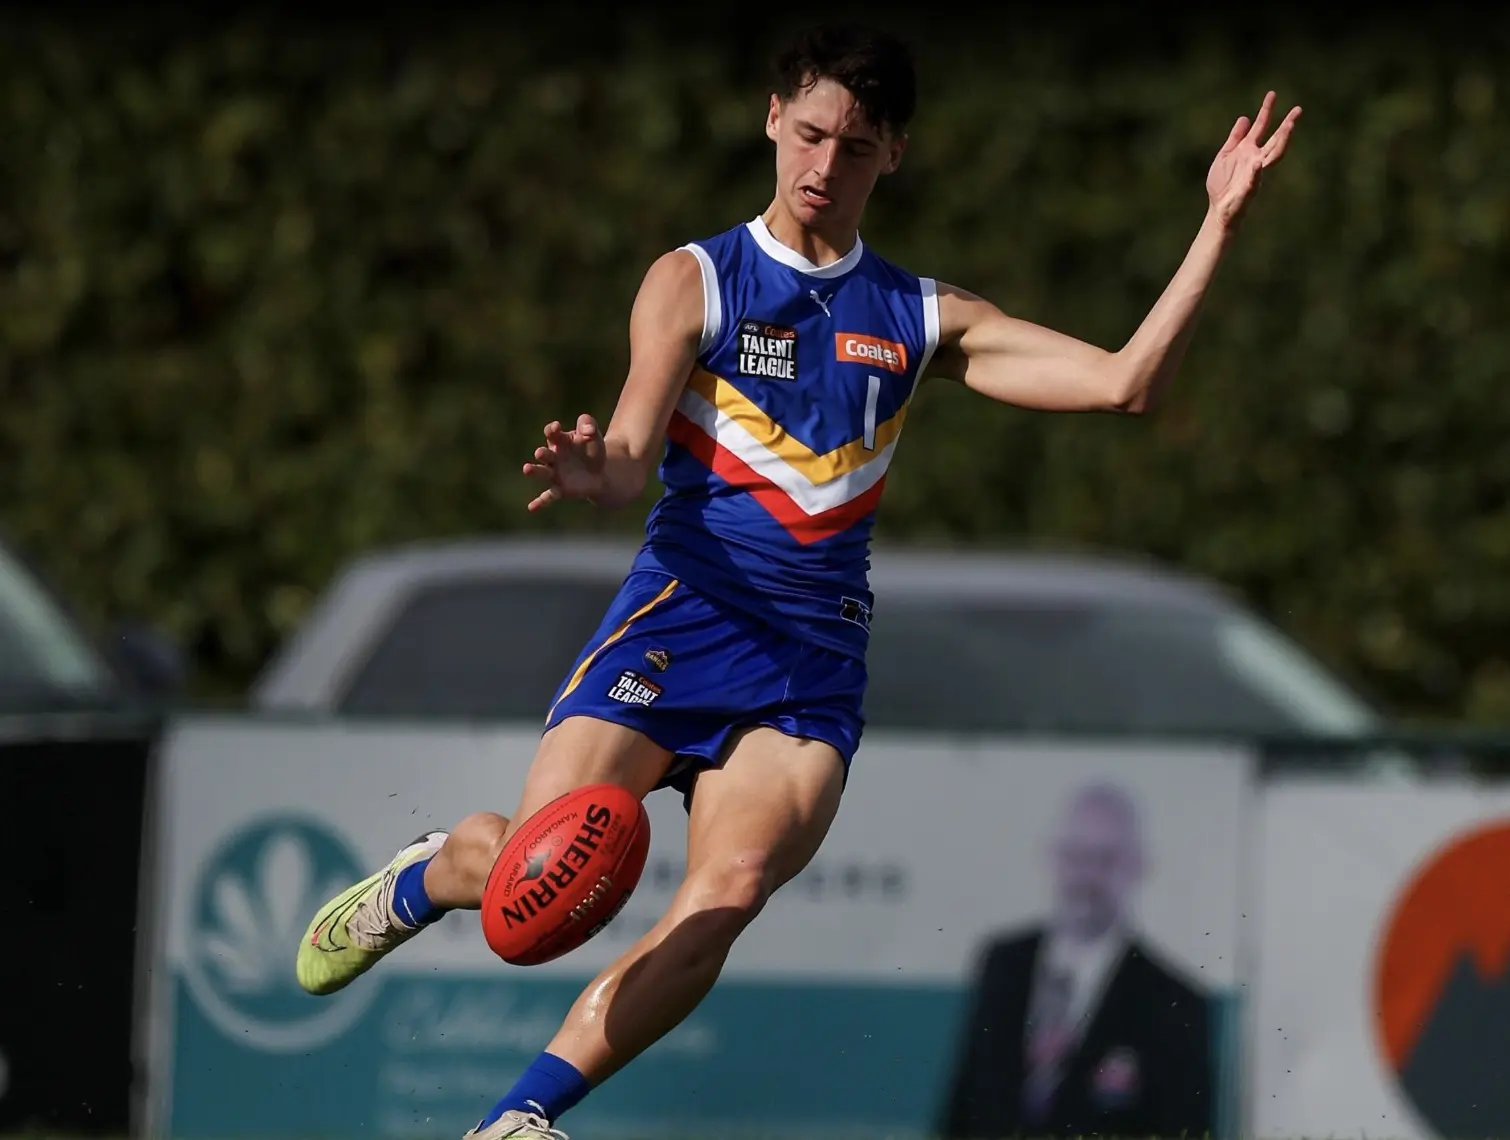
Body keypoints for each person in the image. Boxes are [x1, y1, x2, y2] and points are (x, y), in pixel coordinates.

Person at [293, 22, 1300, 1140]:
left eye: (856, 147)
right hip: (683, 621)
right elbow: (632, 453)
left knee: (723, 896)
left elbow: (1122, 385)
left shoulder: (919, 315)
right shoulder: (694, 280)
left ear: (894, 156)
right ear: (773, 120)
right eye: (810, 134)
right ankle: (435, 873)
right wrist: (596, 471)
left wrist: (1215, 225)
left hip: (807, 666)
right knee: (537, 885)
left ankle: (518, 1121)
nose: (825, 167)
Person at [939, 782, 1214, 1139]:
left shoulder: (1175, 1003)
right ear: (1051, 858)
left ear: (1139, 865)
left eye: (1104, 859)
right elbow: (964, 1107)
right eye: (1074, 856)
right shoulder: (1003, 964)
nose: (1086, 875)